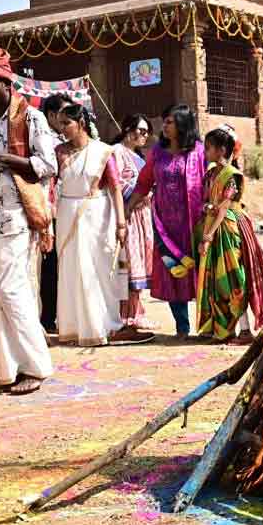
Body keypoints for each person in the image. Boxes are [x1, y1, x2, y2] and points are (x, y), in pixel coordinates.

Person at [0, 47, 55, 395]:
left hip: (19, 218)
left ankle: (36, 367)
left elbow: (47, 165)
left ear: (7, 84)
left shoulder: (32, 118)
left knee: (11, 290)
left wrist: (1, 157)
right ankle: (9, 370)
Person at [54, 104, 153, 345]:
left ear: (81, 124)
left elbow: (116, 188)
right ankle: (74, 327)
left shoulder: (102, 151)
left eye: (66, 123)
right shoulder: (59, 152)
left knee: (99, 270)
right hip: (67, 214)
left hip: (97, 215)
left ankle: (108, 325)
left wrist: (121, 223)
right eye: (60, 123)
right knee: (71, 269)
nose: (62, 128)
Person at [194, 126, 263, 343]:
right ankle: (223, 330)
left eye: (209, 148)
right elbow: (207, 202)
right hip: (213, 228)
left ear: (222, 150)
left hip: (229, 229)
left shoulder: (232, 176)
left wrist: (208, 237)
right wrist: (207, 210)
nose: (205, 152)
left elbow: (224, 208)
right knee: (216, 281)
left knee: (234, 278)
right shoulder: (210, 174)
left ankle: (245, 330)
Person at [127, 104, 206, 339]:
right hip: (166, 228)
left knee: (201, 272)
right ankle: (182, 327)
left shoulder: (199, 152)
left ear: (183, 124)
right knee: (174, 273)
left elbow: (212, 181)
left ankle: (208, 326)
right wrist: (129, 208)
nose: (165, 126)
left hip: (194, 225)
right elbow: (143, 183)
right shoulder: (157, 153)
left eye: (170, 122)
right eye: (165, 121)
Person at [112, 114, 157, 331]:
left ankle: (137, 311)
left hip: (143, 216)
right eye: (141, 131)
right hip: (128, 214)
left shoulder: (139, 156)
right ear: (128, 129)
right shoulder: (116, 152)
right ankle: (127, 315)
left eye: (147, 132)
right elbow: (116, 184)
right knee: (129, 264)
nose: (145, 136)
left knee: (140, 263)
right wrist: (140, 189)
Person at [37, 92, 71, 334]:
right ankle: (47, 317)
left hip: (66, 209)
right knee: (48, 265)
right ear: (51, 115)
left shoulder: (65, 139)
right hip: (47, 208)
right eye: (63, 114)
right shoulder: (45, 140)